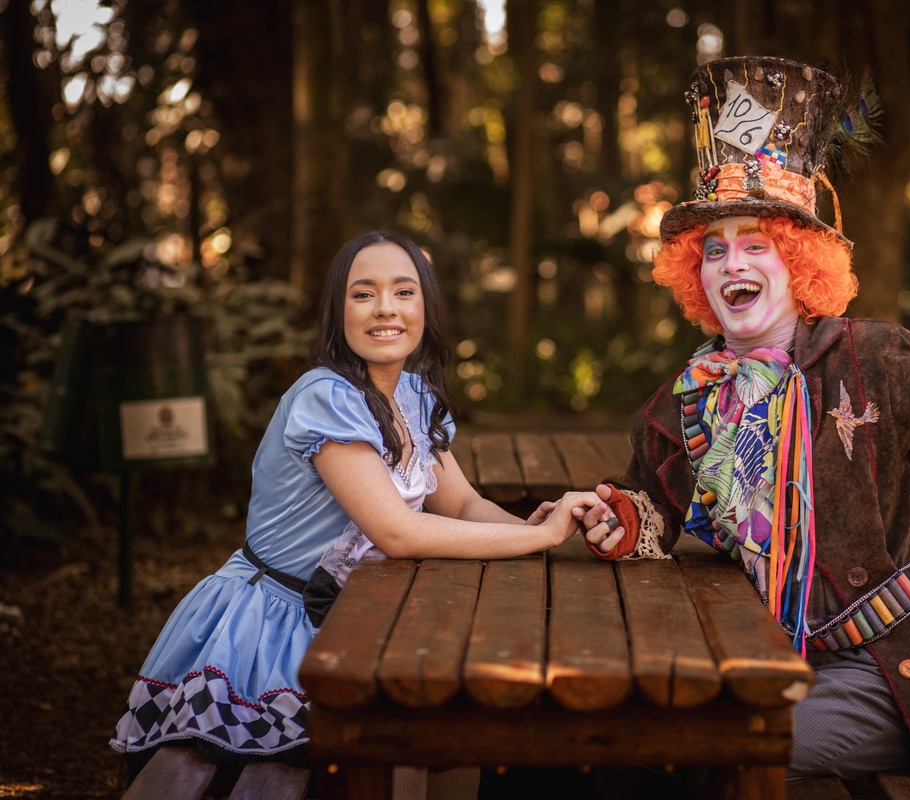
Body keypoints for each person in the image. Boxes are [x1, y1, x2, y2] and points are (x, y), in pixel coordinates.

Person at [575, 57, 910, 800]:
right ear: (694, 275)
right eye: (714, 250)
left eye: (755, 244)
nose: (731, 263)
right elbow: (654, 507)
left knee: (720, 746)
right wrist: (617, 515)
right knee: (623, 741)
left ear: (799, 262)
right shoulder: (687, 397)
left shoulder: (871, 358)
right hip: (756, 654)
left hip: (884, 669)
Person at [110, 231, 598, 778]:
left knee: (471, 724)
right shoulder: (327, 396)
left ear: (426, 307)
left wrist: (536, 527)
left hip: (362, 616)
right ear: (337, 312)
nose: (385, 308)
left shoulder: (412, 396)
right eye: (363, 294)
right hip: (274, 628)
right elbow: (398, 533)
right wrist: (542, 537)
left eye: (403, 292)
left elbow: (460, 504)